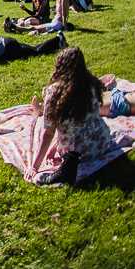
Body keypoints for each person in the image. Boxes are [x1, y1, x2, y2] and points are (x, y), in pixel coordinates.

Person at [26, 47, 114, 186]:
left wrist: (34, 166)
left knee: (42, 126)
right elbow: (81, 122)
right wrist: (54, 147)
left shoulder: (54, 92)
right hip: (102, 144)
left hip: (76, 154)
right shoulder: (92, 84)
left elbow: (48, 133)